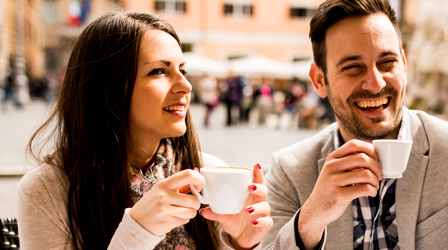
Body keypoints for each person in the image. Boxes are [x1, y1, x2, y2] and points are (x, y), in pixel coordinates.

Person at [261, 0, 448, 249]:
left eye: (387, 62)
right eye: (353, 68)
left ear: (404, 63)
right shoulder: (290, 170)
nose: (376, 82)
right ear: (320, 80)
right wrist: (311, 218)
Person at [18, 11, 272, 250]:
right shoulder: (46, 189)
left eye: (183, 70)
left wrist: (241, 243)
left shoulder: (209, 174)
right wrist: (138, 231)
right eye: (159, 71)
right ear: (107, 88)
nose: (186, 86)